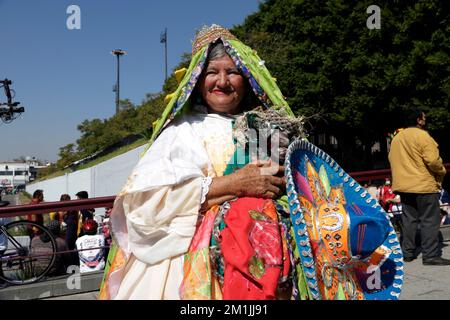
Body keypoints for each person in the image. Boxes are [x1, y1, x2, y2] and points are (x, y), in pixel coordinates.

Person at [99, 25, 401, 300]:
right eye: (212, 72)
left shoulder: (264, 127)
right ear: (197, 79)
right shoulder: (181, 130)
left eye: (232, 72)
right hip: (188, 263)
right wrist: (233, 184)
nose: (222, 82)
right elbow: (146, 205)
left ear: (247, 80)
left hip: (270, 263)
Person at [388, 109, 449, 265]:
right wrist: (442, 171)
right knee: (430, 220)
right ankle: (430, 255)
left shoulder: (397, 138)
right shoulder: (423, 136)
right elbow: (433, 161)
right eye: (424, 118)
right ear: (418, 120)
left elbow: (391, 158)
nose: (425, 120)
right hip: (423, 185)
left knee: (409, 219)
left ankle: (407, 252)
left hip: (403, 186)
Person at [58, 194, 80, 266]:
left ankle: (68, 264)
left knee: (67, 246)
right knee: (69, 246)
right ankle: (70, 264)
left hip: (69, 230)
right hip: (69, 229)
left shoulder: (71, 209)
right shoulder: (71, 208)